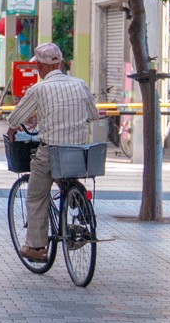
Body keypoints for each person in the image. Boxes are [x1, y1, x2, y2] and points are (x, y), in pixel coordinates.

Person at [5, 42, 100, 262]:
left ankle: (36, 248)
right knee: (64, 174)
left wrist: (13, 128)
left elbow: (15, 118)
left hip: (51, 151)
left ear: (39, 66)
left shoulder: (39, 89)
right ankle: (76, 197)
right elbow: (93, 115)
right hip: (79, 153)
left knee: (37, 194)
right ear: (61, 63)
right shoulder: (80, 84)